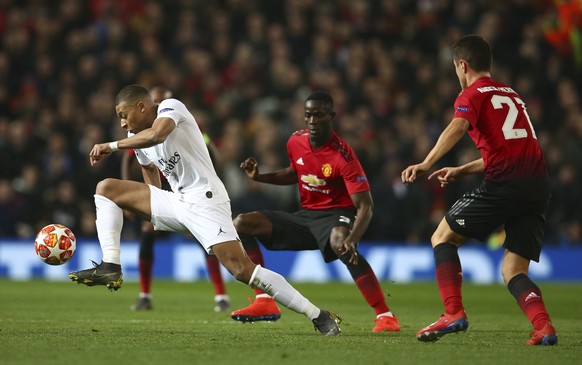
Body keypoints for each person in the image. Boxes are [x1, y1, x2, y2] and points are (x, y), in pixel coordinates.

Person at [68, 84, 342, 336]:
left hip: (206, 200)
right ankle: (111, 265)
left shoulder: (170, 107)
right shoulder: (134, 136)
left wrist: (111, 146)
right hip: (177, 201)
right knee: (106, 188)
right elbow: (148, 166)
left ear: (141, 106)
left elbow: (157, 135)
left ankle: (318, 315)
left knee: (241, 269)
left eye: (123, 114)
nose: (122, 122)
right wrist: (152, 205)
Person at [401, 34, 557, 346]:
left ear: (462, 65)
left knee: (442, 237)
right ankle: (544, 327)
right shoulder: (511, 94)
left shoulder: (471, 94)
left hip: (505, 184)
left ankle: (453, 312)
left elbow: (456, 127)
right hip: (537, 185)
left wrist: (427, 162)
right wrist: (461, 170)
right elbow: (507, 150)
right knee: (513, 269)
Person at [230, 91, 400, 333]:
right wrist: (260, 177)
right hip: (307, 216)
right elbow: (294, 173)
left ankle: (385, 316)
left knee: (342, 243)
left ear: (331, 116)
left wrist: (354, 238)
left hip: (337, 215)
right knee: (242, 223)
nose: (312, 120)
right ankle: (264, 301)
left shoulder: (344, 156)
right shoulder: (295, 141)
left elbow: (365, 206)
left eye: (318, 115)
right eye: (308, 115)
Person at [121, 86, 230, 312]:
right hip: (168, 193)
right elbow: (132, 159)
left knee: (205, 239)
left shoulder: (180, 118)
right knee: (147, 233)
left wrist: (210, 180)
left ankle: (220, 295)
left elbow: (211, 149)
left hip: (195, 193)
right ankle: (144, 294)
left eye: (162, 101)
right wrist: (141, 198)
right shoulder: (140, 129)